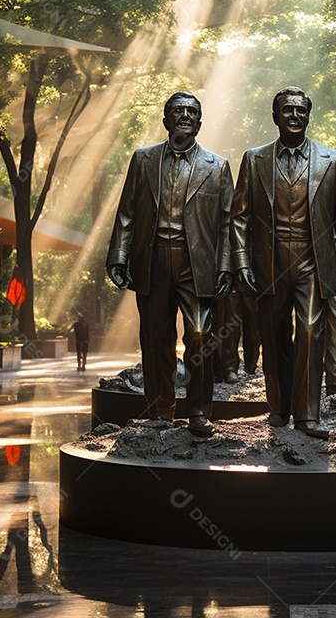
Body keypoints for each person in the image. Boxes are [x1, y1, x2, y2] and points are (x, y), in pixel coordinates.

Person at [231, 86, 336, 439]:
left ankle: (307, 415)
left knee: (309, 332)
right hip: (268, 263)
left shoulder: (332, 161)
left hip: (312, 260)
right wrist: (241, 262)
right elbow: (239, 216)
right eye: (287, 110)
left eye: (301, 110)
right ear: (274, 116)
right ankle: (279, 407)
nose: (295, 115)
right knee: (273, 337)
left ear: (308, 115)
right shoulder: (255, 160)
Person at [105, 92, 233, 436]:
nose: (185, 116)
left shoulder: (217, 166)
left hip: (198, 264)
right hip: (153, 258)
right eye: (178, 111)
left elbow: (227, 223)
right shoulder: (143, 160)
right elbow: (128, 211)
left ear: (200, 122)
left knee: (199, 334)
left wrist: (226, 267)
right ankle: (160, 410)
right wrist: (119, 255)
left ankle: (198, 411)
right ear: (166, 121)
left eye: (192, 111)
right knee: (155, 337)